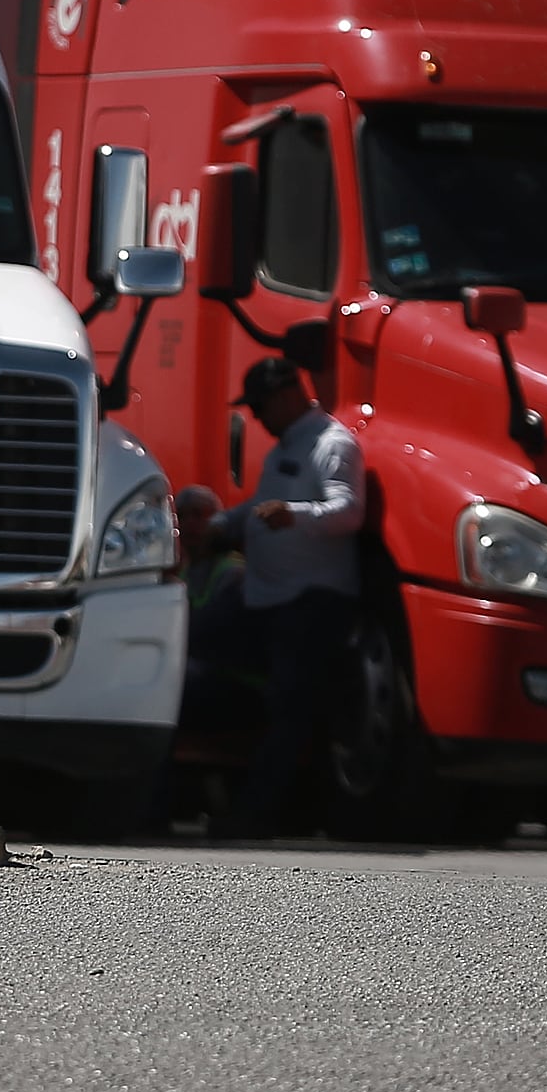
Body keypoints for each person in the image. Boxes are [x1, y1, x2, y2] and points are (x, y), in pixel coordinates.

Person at [173, 352, 365, 836]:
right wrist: (223, 525)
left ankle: (257, 815)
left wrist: (295, 515)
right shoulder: (288, 446)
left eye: (261, 405)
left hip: (309, 603)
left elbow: (348, 511)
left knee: (291, 709)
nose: (255, 416)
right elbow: (261, 508)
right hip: (269, 599)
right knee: (198, 662)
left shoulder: (331, 444)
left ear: (287, 395)